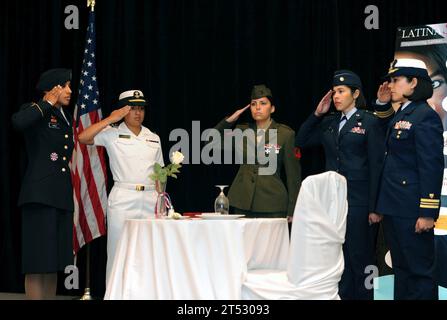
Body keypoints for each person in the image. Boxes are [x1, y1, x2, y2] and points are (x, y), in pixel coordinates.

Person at [295, 70, 385, 300]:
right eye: (334, 91)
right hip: (332, 203)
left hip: (358, 200)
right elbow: (301, 141)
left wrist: (375, 207)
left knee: (360, 256)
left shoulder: (369, 121)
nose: (336, 96)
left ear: (355, 94)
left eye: (341, 91)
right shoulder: (330, 123)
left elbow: (376, 166)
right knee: (338, 255)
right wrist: (317, 113)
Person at [78, 90, 164, 285]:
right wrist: (111, 119)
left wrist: (162, 199)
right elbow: (83, 137)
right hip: (124, 197)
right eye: (132, 108)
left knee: (148, 252)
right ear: (123, 111)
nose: (137, 113)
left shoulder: (153, 137)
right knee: (118, 251)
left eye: (141, 108)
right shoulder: (111, 133)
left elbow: (160, 173)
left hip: (150, 198)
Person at [374, 58, 443, 299]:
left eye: (396, 80)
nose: (390, 85)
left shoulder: (424, 115)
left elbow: (431, 166)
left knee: (419, 272)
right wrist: (381, 104)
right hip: (395, 206)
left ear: (414, 82)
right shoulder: (403, 113)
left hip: (413, 209)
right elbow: (385, 137)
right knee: (401, 270)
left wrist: (427, 211)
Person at [11, 68, 74, 300]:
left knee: (53, 261)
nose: (70, 91)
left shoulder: (66, 117)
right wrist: (46, 102)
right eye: (65, 86)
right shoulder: (35, 110)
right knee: (38, 262)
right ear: (53, 88)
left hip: (61, 196)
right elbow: (18, 123)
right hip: (39, 196)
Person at [213, 84, 301, 220]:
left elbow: (293, 176)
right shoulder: (241, 132)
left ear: (272, 108)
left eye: (263, 103)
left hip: (272, 204)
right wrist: (230, 120)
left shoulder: (285, 134)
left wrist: (293, 209)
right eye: (253, 104)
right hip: (242, 202)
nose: (257, 107)